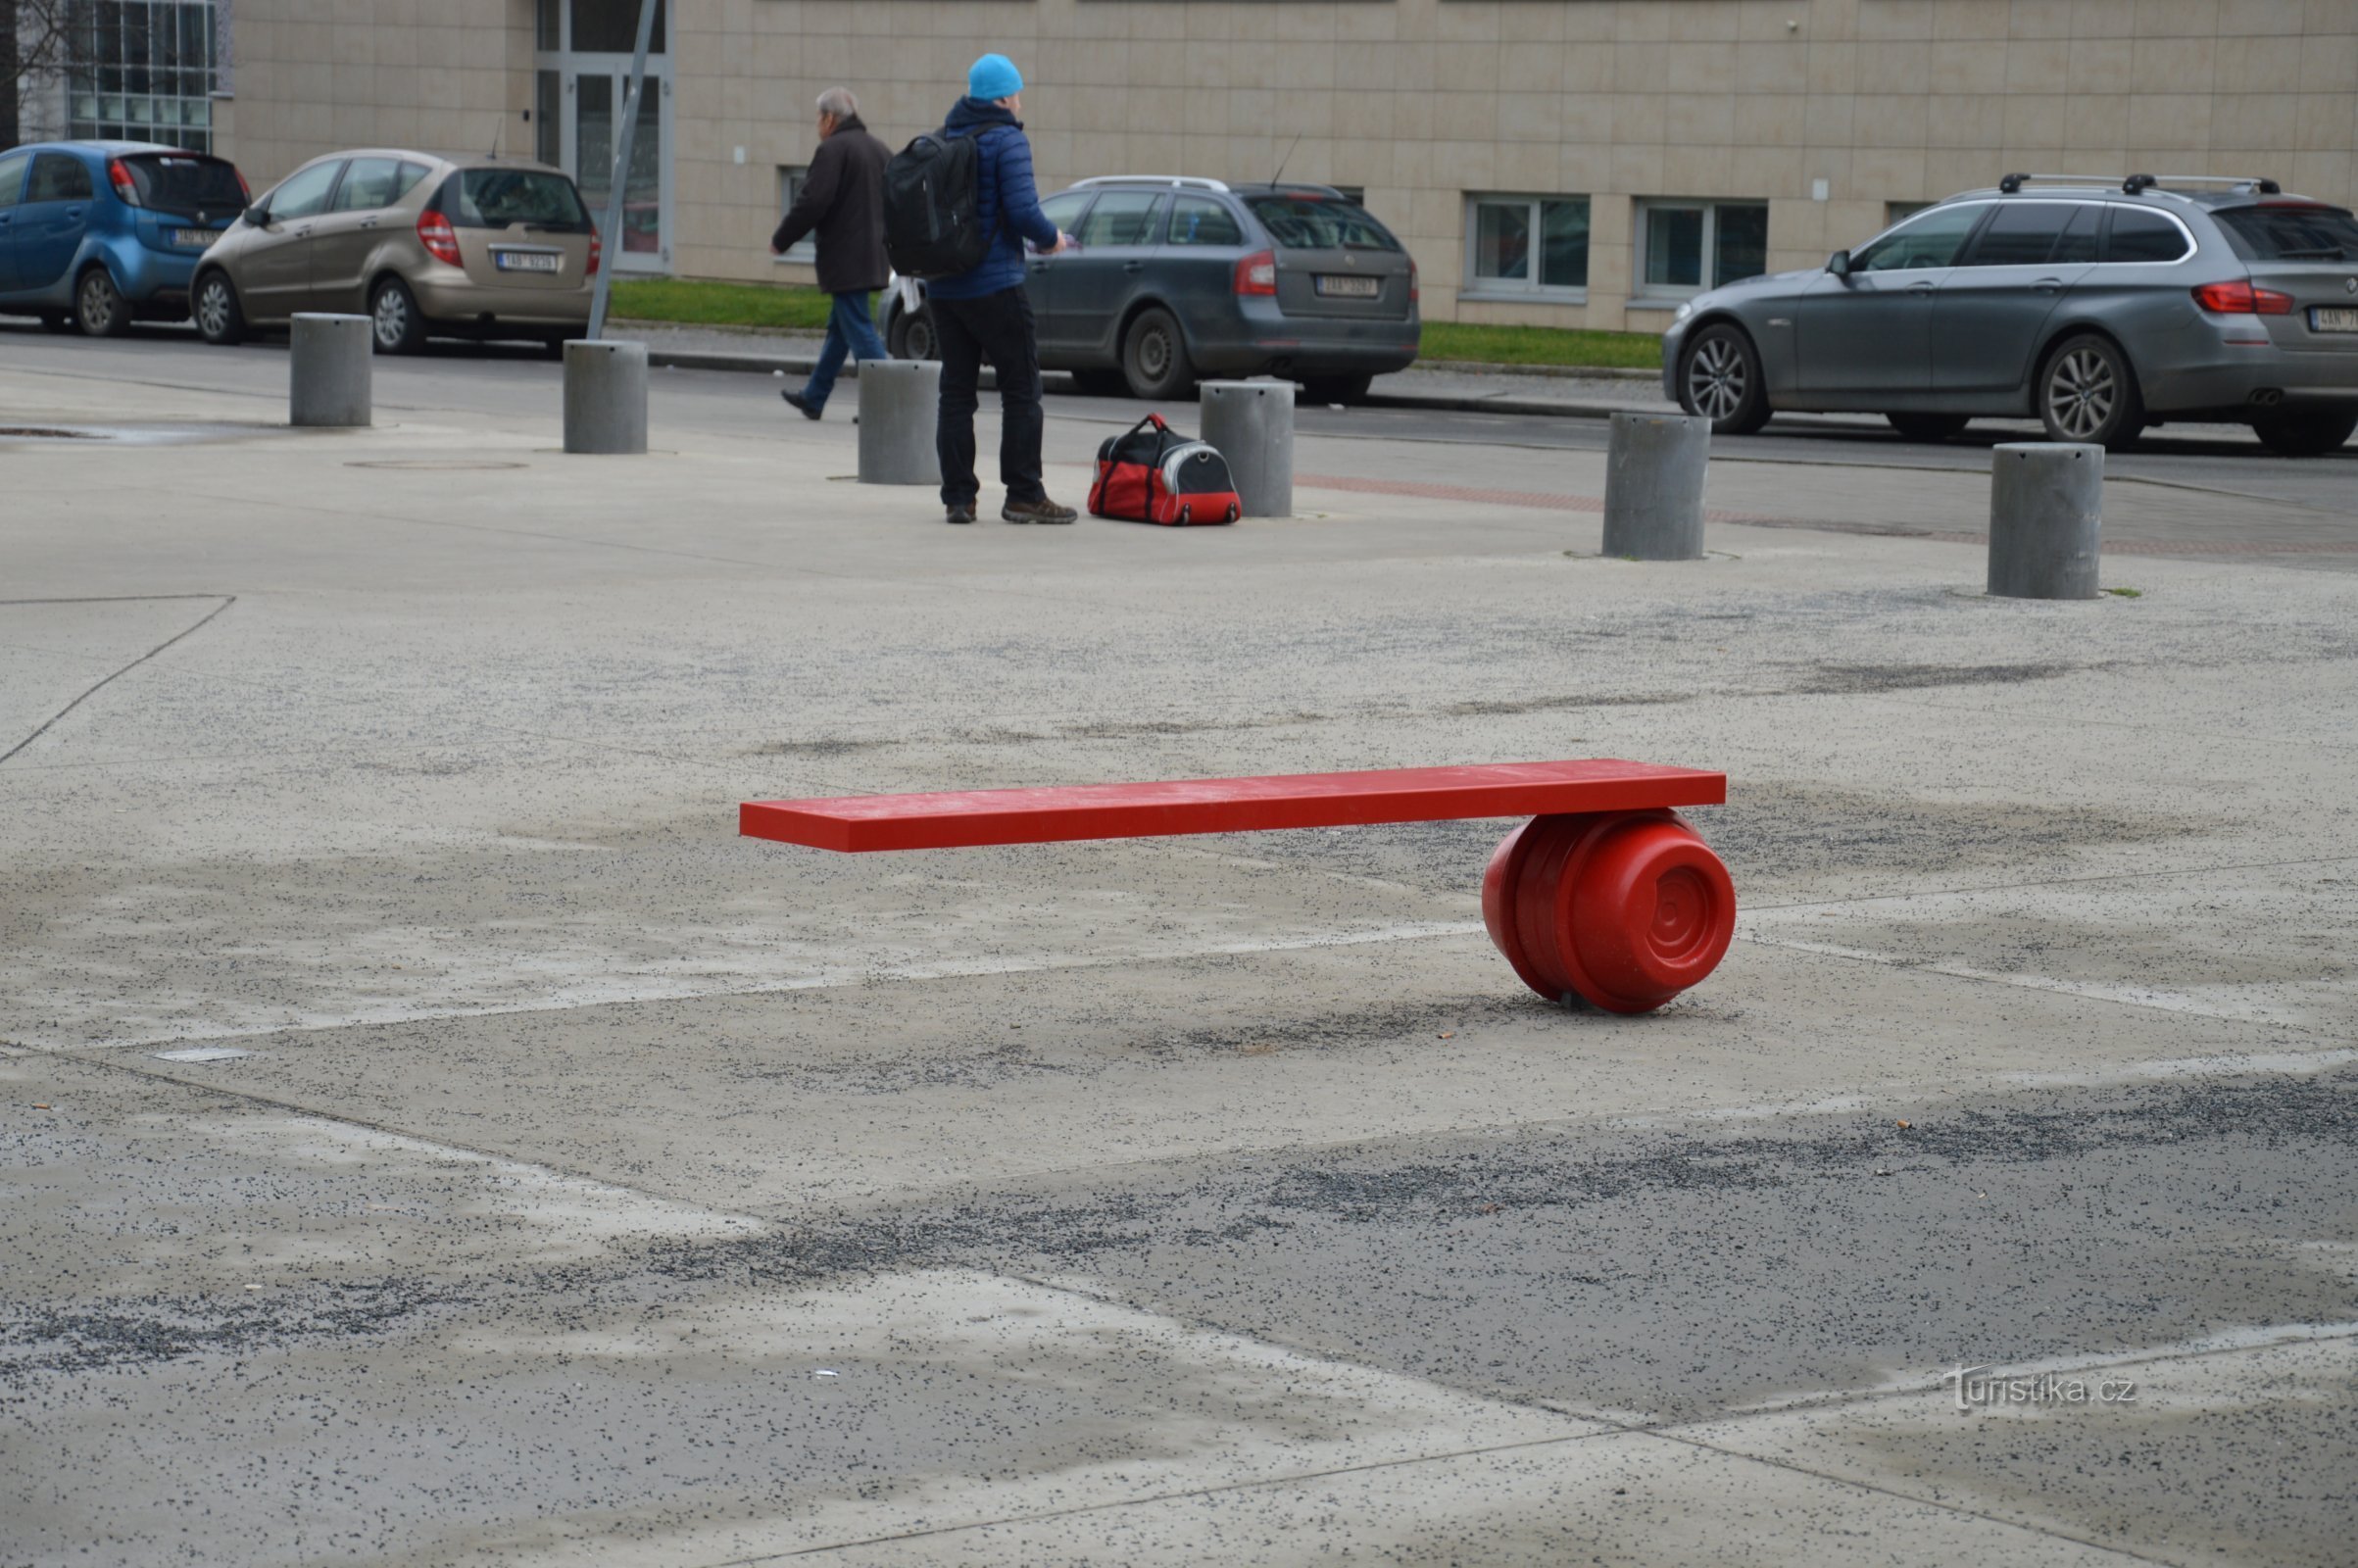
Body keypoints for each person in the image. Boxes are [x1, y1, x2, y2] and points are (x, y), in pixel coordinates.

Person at [927, 54, 1077, 525]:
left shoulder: (947, 135)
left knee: (956, 391)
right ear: (1004, 97)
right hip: (996, 285)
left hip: (946, 286)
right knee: (1021, 388)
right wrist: (1052, 239)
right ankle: (1024, 494)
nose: (1020, 101)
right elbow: (1022, 212)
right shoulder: (1007, 139)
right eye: (1017, 93)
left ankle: (958, 497)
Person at [770, 87, 891, 420]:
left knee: (859, 329)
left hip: (845, 256)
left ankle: (890, 399)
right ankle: (814, 396)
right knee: (841, 329)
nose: (817, 126)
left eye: (818, 118)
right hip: (874, 254)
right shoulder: (879, 149)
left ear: (829, 118)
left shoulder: (833, 150)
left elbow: (813, 201)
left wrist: (783, 238)